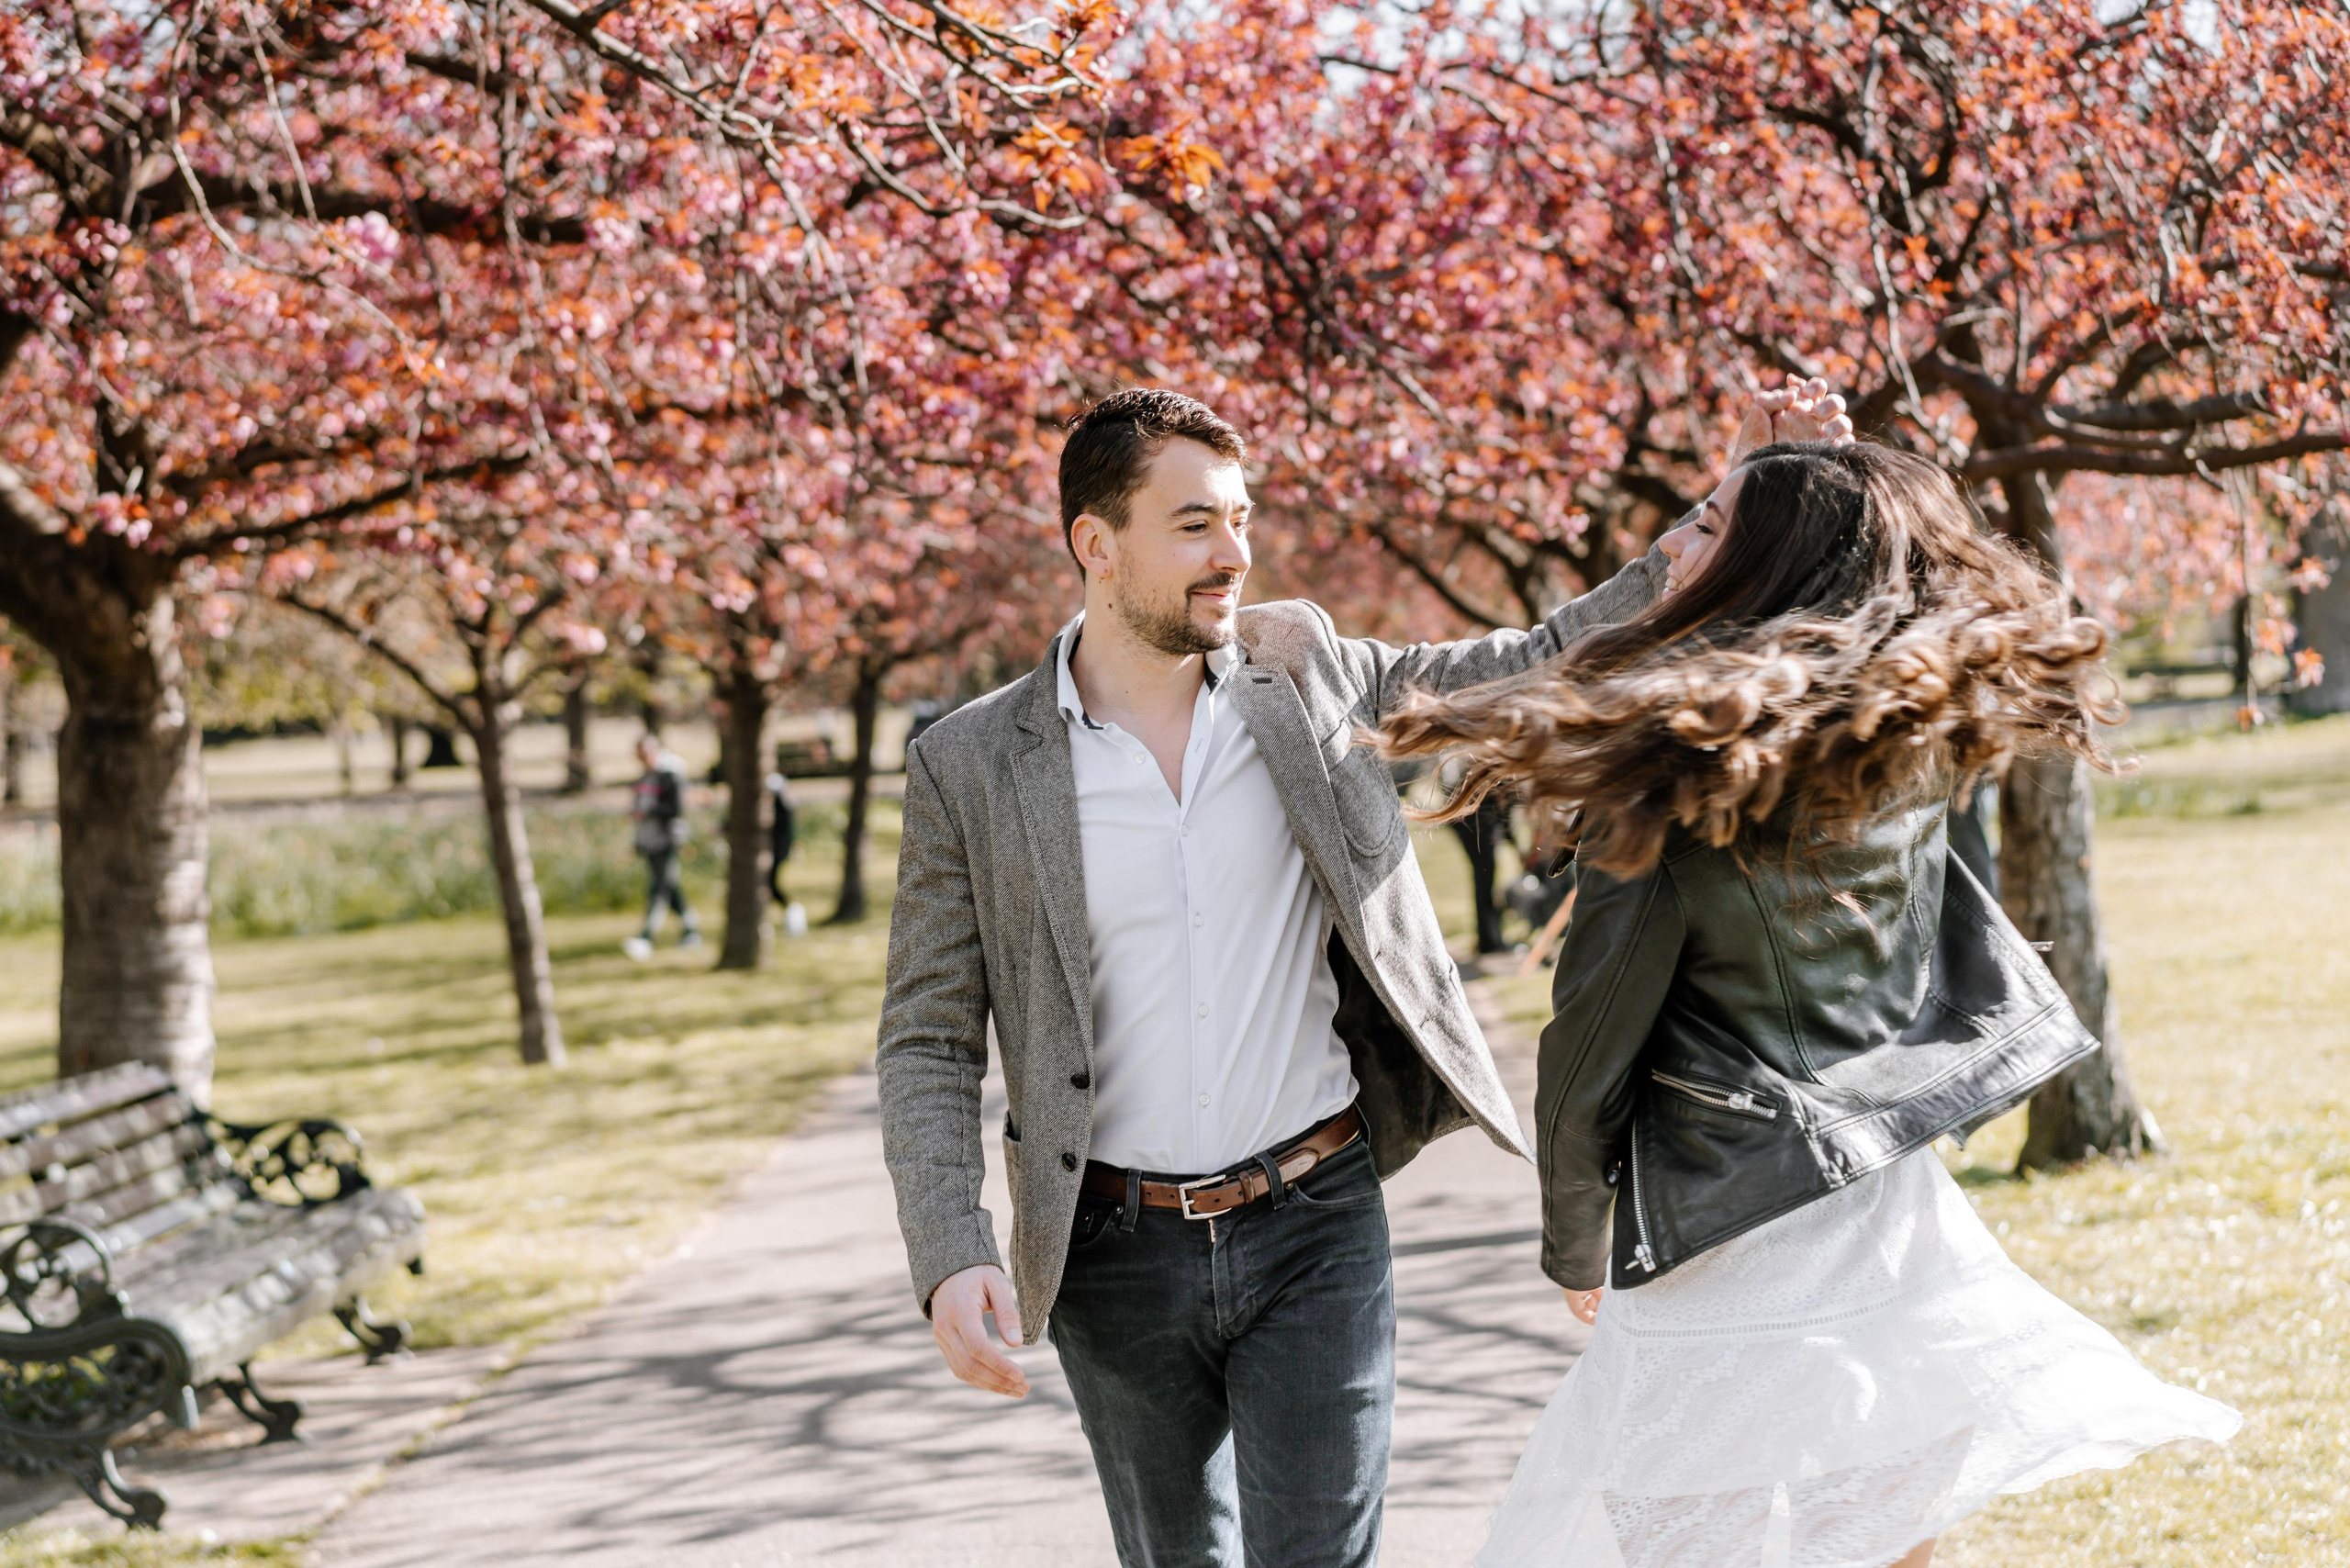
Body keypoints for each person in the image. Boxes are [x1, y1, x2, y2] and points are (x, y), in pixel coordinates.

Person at [873, 383, 1852, 1568]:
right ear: (1096, 542)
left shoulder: (1306, 671)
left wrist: (1730, 517)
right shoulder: (969, 764)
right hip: (1113, 1258)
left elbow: (1536, 660)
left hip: (1316, 1224)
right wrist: (952, 1246)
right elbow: (927, 1036)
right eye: (1194, 525)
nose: (1235, 552)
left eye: (1241, 517)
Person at [1379, 441, 2239, 1568]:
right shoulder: (1899, 741)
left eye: (1702, 523)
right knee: (1877, 1534)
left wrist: (1574, 1242)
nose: (1665, 544)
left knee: (1688, 1537)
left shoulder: (1674, 786)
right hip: (1882, 1202)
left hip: (1714, 1225)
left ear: (1766, 566)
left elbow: (1586, 1045)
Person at [622, 734, 699, 960]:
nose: (642, 761)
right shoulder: (648, 775)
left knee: (659, 888)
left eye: (644, 756)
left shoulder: (671, 774)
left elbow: (676, 808)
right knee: (670, 886)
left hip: (667, 838)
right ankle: (692, 931)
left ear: (654, 751)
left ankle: (645, 937)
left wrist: (648, 812)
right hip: (649, 839)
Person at [764, 767, 807, 938]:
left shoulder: (780, 808)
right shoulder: (782, 806)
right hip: (778, 850)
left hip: (778, 851)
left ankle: (791, 911)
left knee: (771, 884)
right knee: (769, 885)